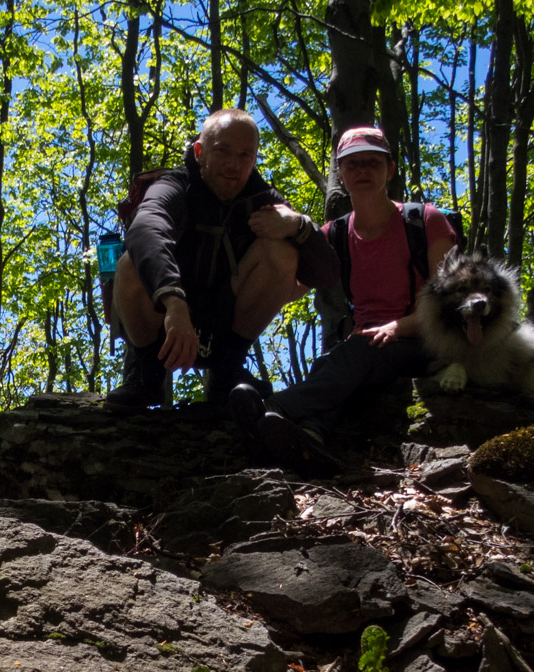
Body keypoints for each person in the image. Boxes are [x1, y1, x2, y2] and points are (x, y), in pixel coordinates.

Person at [230, 125, 457, 473]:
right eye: (352, 164)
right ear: (340, 171)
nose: (362, 171)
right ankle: (308, 437)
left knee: (354, 352)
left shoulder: (426, 221)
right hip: (366, 349)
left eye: (372, 163)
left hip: (426, 341)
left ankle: (275, 407)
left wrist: (397, 327)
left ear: (390, 170)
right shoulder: (334, 234)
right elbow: (287, 289)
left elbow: (448, 304)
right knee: (333, 362)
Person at [110, 108, 337, 409]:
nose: (234, 164)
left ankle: (227, 375)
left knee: (282, 252)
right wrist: (173, 302)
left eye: (245, 155)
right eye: (223, 151)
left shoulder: (262, 198)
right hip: (165, 321)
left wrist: (299, 226)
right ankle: (144, 377)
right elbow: (145, 227)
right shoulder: (174, 186)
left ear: (254, 159)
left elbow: (327, 275)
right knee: (130, 263)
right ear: (200, 152)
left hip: (222, 326)